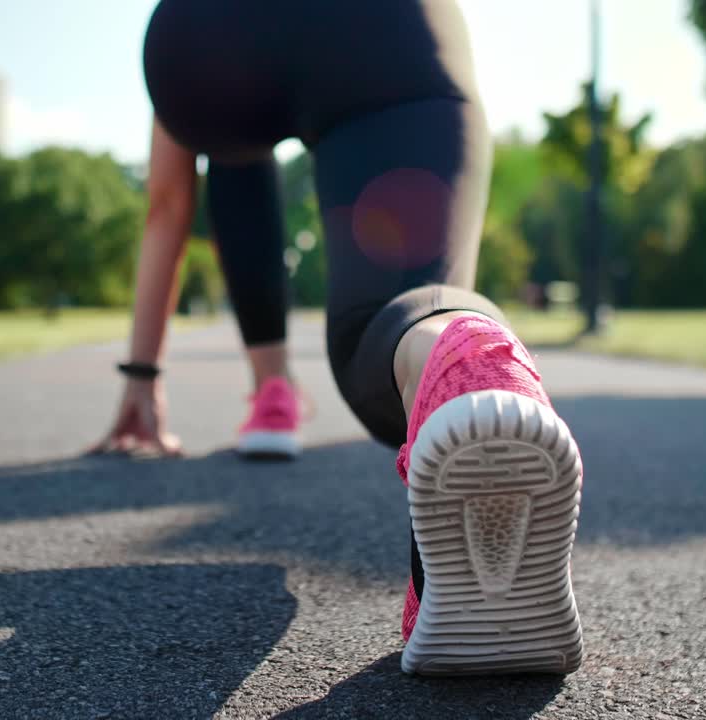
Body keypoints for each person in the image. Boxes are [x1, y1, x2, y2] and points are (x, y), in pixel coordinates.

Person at [93, 0, 585, 676]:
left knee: (231, 147)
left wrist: (141, 377)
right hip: (381, 31)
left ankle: (272, 392)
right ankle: (464, 357)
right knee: (390, 324)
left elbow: (169, 202)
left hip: (202, 36)